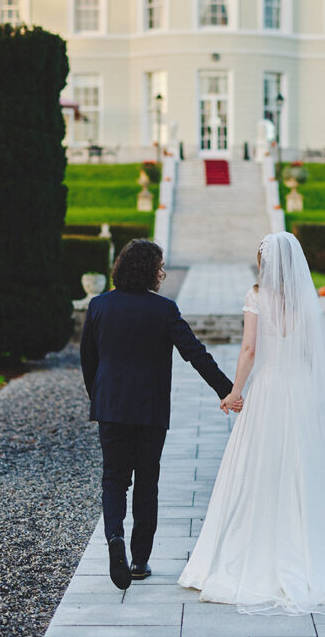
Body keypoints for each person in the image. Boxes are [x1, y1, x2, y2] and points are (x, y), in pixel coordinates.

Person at [178, 231, 325, 615]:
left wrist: (235, 392)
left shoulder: (257, 296)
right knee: (305, 469)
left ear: (265, 263)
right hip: (303, 389)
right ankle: (313, 554)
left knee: (259, 469)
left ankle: (256, 553)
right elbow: (313, 356)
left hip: (269, 389)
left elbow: (249, 349)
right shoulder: (307, 298)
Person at [80, 239, 240, 590]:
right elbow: (195, 353)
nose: (162, 272)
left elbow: (88, 360)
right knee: (146, 480)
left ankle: (114, 538)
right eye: (160, 266)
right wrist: (227, 391)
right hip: (150, 408)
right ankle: (139, 560)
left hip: (111, 407)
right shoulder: (164, 309)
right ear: (150, 271)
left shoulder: (99, 305)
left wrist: (100, 398)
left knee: (114, 478)